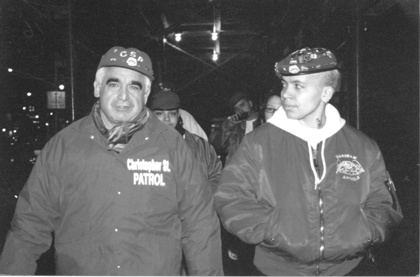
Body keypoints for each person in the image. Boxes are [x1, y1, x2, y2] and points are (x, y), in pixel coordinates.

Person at [0, 46, 223, 276]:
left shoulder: (174, 147)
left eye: (134, 86)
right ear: (98, 87)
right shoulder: (64, 147)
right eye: (113, 84)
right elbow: (28, 227)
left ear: (145, 94)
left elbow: (201, 226)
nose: (123, 97)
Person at [214, 47, 403, 276]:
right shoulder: (258, 143)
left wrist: (361, 234)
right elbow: (230, 198)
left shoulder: (362, 146)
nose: (285, 94)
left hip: (347, 270)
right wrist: (273, 231)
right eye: (285, 84)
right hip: (275, 271)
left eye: (298, 86)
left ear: (325, 93)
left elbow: (385, 205)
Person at [147, 89, 222, 193]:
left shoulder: (200, 145)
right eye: (160, 113)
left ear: (178, 115)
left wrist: (202, 197)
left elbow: (216, 176)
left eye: (172, 113)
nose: (167, 119)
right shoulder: (142, 146)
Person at [221, 91, 263, 165]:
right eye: (236, 109)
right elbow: (222, 147)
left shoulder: (264, 121)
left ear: (250, 103)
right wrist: (228, 127)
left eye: (242, 105)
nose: (240, 110)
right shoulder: (235, 128)